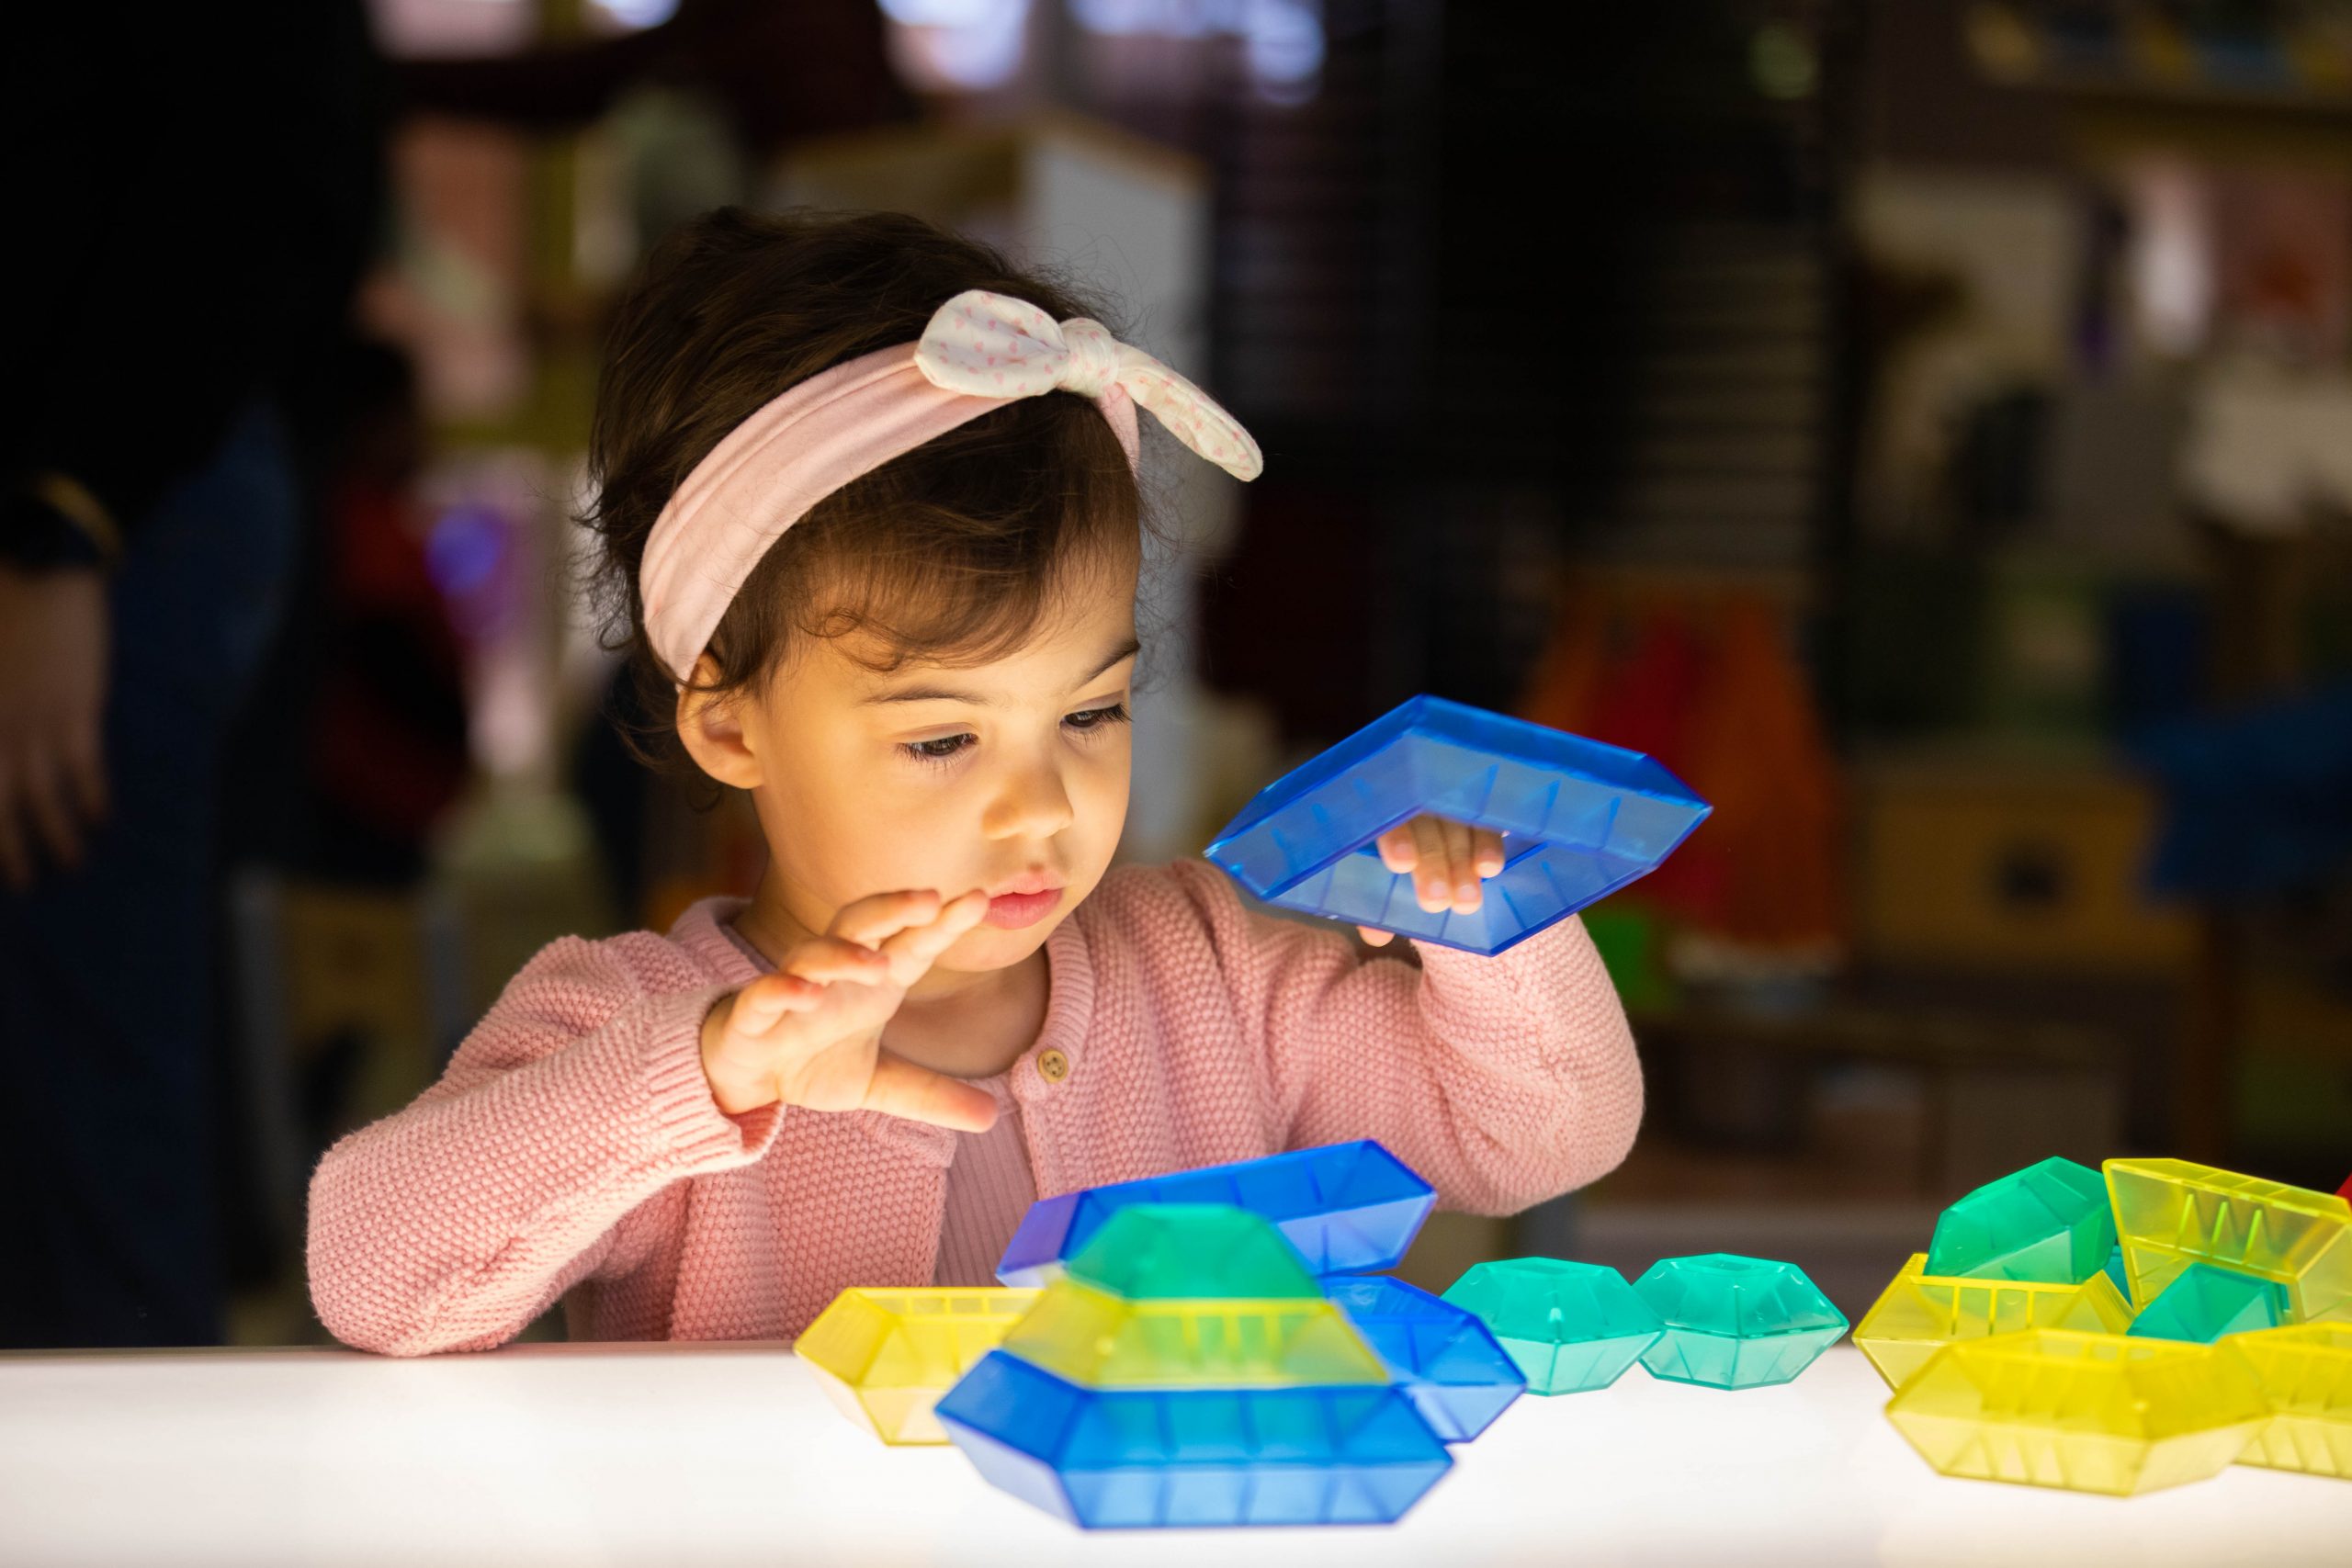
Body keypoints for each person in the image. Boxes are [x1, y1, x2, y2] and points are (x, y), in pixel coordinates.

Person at [304, 209, 1643, 1355]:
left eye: (1092, 711)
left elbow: (1539, 1138)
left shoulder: (1215, 978)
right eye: (944, 737)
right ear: (729, 723)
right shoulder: (643, 1023)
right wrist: (707, 1077)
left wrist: (1488, 928)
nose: (1043, 808)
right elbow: (370, 1276)